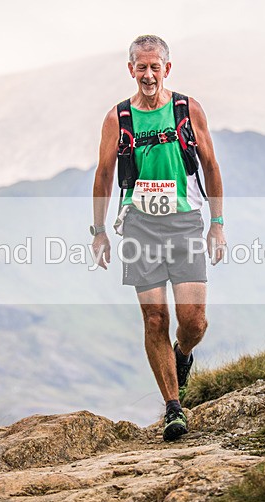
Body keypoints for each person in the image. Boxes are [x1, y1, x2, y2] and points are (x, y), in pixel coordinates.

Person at [90, 35, 226, 441]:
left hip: (184, 222)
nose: (148, 74)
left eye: (155, 67)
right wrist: (99, 232)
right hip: (139, 226)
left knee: (193, 321)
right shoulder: (118, 118)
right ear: (130, 70)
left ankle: (183, 353)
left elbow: (211, 166)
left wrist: (216, 222)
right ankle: (173, 408)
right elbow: (103, 176)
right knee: (154, 318)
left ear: (167, 68)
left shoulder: (187, 109)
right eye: (141, 67)